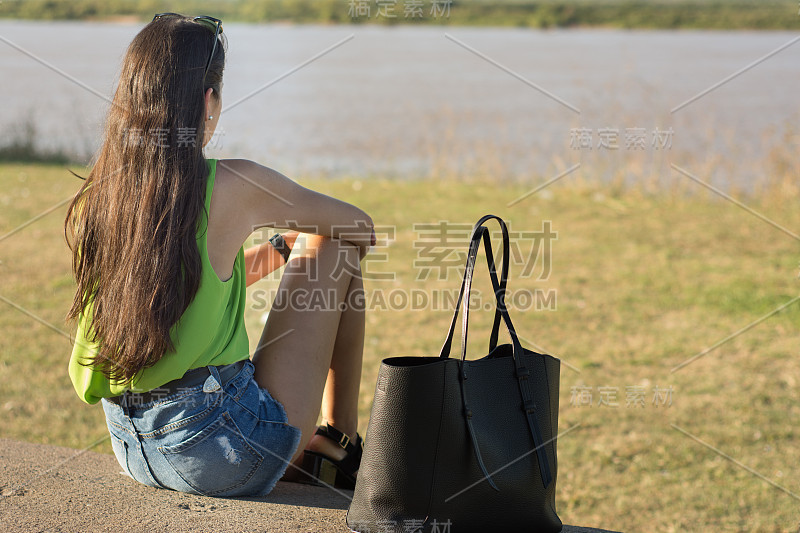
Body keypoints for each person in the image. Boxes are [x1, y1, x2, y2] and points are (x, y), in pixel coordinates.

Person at [63, 13, 374, 497]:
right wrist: (296, 232)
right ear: (208, 101)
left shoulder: (108, 192)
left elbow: (178, 287)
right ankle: (337, 441)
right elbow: (361, 227)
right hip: (223, 451)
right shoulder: (235, 184)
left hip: (135, 449)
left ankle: (332, 444)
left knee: (314, 243)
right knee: (333, 247)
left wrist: (275, 249)